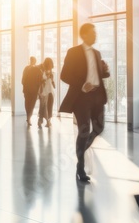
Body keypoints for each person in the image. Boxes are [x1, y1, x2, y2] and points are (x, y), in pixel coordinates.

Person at [59, 23, 110, 182]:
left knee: (99, 127)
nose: (96, 35)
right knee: (84, 130)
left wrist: (106, 71)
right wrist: (82, 85)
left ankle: (81, 149)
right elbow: (64, 75)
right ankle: (80, 167)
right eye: (93, 33)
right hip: (81, 97)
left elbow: (99, 75)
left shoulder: (97, 53)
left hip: (97, 96)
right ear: (85, 35)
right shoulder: (73, 52)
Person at [22, 57, 43, 127]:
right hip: (30, 89)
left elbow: (23, 79)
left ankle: (28, 117)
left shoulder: (36, 69)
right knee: (29, 104)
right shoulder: (33, 69)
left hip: (30, 89)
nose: (32, 62)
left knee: (30, 104)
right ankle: (28, 117)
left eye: (32, 61)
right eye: (31, 61)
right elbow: (23, 79)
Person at [38, 57, 56, 128]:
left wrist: (52, 79)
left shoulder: (51, 72)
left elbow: (52, 82)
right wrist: (48, 77)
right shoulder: (42, 71)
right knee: (45, 106)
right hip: (45, 91)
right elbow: (41, 80)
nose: (50, 66)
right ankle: (44, 121)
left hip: (49, 91)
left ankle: (45, 121)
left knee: (47, 106)